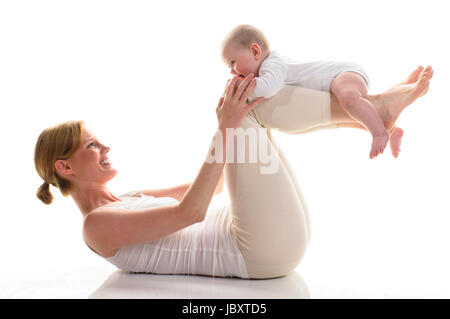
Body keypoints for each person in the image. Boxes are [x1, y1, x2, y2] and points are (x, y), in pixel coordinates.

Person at [34, 67, 432, 279]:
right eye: (91, 146)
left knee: (248, 108)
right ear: (64, 167)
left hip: (266, 238)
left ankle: (370, 115)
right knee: (247, 113)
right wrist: (225, 127)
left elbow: (215, 183)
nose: (105, 148)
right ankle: (372, 112)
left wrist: (228, 122)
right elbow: (191, 212)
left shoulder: (127, 199)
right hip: (254, 252)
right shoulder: (97, 227)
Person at [221, 24, 423, 159]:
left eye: (233, 62)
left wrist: (241, 88)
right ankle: (391, 128)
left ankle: (379, 132)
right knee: (352, 112)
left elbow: (268, 88)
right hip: (340, 76)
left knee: (349, 99)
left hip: (343, 73)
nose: (232, 71)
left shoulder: (272, 66)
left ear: (255, 51)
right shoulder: (271, 65)